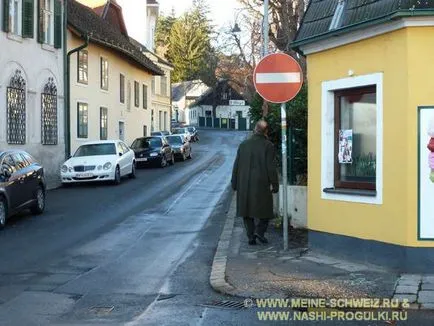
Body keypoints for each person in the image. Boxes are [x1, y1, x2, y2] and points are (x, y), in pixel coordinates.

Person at [231, 120, 279, 245]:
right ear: (266, 131)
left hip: (244, 183)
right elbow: (271, 167)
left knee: (246, 211)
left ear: (255, 129)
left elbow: (236, 165)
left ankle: (251, 236)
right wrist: (275, 184)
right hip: (261, 183)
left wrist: (234, 182)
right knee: (266, 211)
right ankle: (259, 232)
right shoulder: (268, 145)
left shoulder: (244, 145)